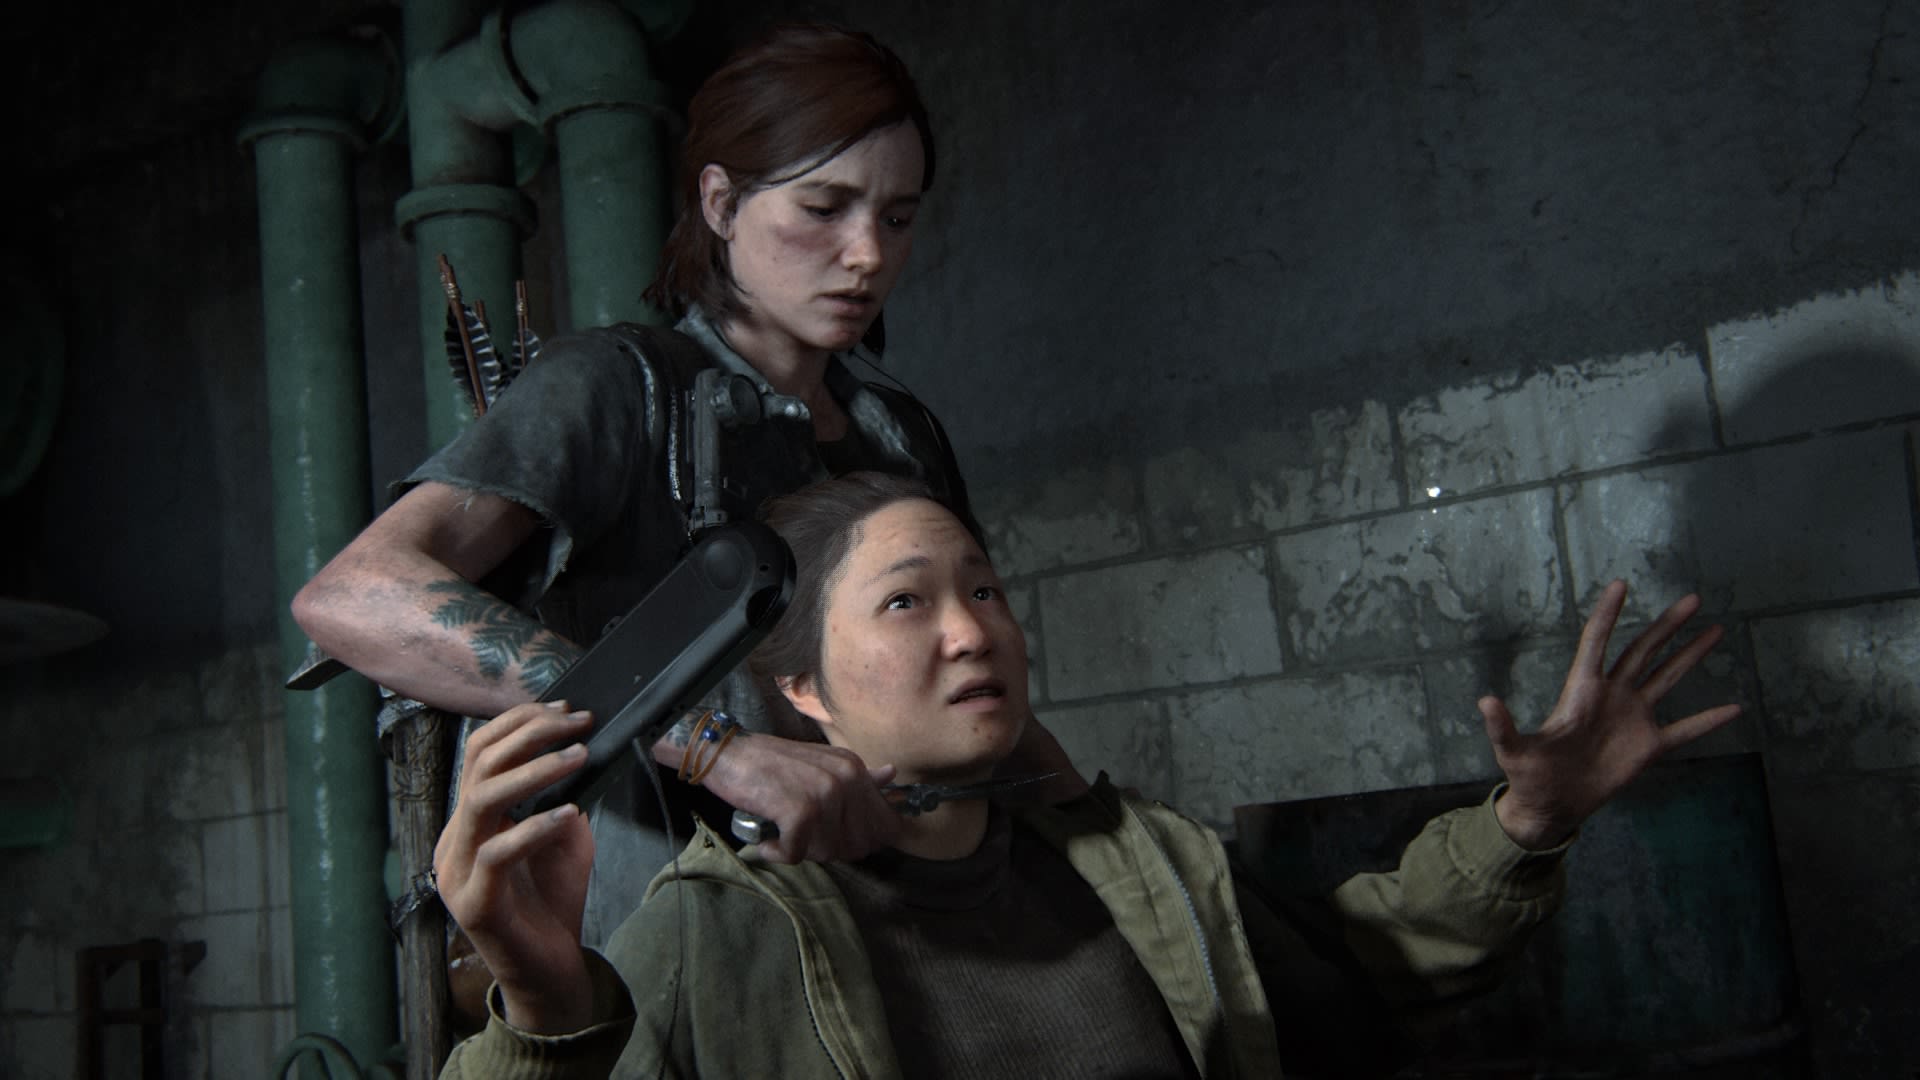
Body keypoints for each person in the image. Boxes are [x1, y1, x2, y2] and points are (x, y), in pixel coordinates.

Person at [433, 471, 1742, 1078]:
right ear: (802, 688)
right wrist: (543, 1009)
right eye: (907, 602)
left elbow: (1362, 969)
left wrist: (1529, 820)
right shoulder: (717, 939)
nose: (971, 631)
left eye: (987, 590)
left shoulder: (1137, 860)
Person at [289, 24, 1084, 942]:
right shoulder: (614, 387)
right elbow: (353, 594)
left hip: (899, 927)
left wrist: (1118, 848)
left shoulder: (898, 431)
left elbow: (980, 684)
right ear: (721, 202)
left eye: (897, 218)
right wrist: (716, 749)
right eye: (823, 208)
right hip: (667, 936)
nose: (867, 254)